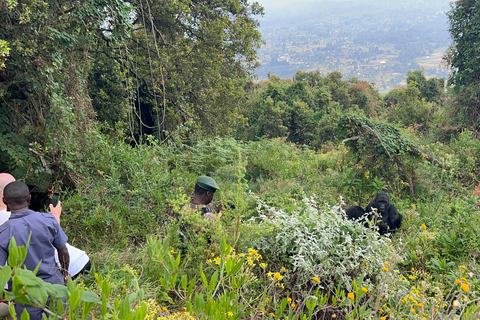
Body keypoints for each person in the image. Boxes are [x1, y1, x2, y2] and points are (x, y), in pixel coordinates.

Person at [0, 181, 69, 319]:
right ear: (29, 198)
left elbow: (1, 269)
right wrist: (65, 274)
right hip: (54, 285)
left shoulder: (3, 232)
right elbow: (63, 252)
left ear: (4, 201)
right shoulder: (49, 220)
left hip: (25, 293)